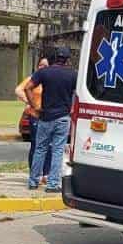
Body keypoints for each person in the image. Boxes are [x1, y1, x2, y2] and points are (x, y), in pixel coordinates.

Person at [18, 47, 76, 192]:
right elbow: (78, 94)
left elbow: (27, 88)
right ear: (68, 60)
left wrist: (34, 106)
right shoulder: (72, 75)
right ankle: (52, 185)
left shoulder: (44, 72)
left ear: (54, 58)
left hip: (45, 117)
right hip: (62, 118)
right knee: (57, 151)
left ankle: (33, 182)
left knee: (40, 149)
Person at [18, 56, 47, 175]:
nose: (43, 67)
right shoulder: (32, 79)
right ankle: (34, 173)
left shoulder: (49, 79)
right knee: (35, 144)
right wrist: (30, 102)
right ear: (37, 66)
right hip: (34, 115)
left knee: (47, 146)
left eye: (45, 65)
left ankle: (45, 173)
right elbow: (19, 90)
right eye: (41, 65)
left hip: (47, 116)